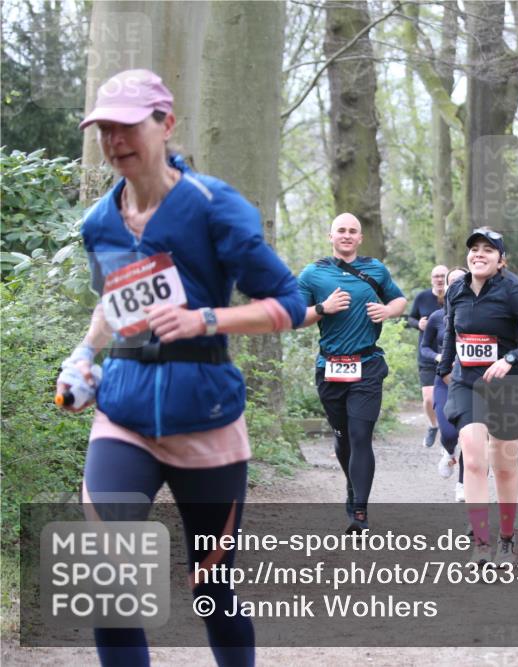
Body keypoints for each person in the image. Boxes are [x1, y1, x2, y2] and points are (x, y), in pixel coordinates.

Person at [61, 69, 307, 666]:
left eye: (127, 126)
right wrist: (84, 355)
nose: (115, 140)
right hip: (123, 412)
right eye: (104, 130)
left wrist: (206, 320)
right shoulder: (100, 221)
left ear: (165, 125)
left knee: (212, 590)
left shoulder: (214, 206)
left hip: (207, 419)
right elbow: (113, 303)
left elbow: (292, 305)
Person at [438, 229, 518, 566]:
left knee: (504, 467)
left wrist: (510, 359)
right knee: (473, 458)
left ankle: (506, 538)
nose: (479, 254)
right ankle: (481, 542)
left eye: (488, 250)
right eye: (474, 249)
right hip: (467, 383)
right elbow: (450, 331)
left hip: (507, 386)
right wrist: (445, 368)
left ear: (501, 259)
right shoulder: (456, 288)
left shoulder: (512, 289)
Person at [298, 213, 407, 532]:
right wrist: (322, 308)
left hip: (368, 365)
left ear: (360, 238)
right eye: (341, 231)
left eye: (352, 231)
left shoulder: (376, 269)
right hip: (330, 366)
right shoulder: (312, 273)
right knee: (344, 438)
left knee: (361, 436)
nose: (346, 235)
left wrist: (387, 310)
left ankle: (359, 512)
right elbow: (294, 316)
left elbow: (399, 299)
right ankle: (352, 485)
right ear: (330, 236)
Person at [420, 267, 469, 501]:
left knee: (470, 437)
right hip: (445, 380)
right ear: (446, 288)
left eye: (462, 280)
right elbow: (425, 347)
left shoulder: (481, 315)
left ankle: (462, 485)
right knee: (449, 434)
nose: (457, 285)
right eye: (452, 282)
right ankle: (449, 452)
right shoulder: (438, 317)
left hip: (471, 383)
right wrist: (439, 357)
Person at [407, 265, 449, 447]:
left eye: (442, 276)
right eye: (436, 276)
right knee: (429, 398)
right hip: (427, 353)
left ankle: (450, 433)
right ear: (431, 279)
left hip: (451, 354)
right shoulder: (422, 297)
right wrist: (418, 324)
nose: (439, 279)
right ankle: (433, 426)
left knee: (450, 398)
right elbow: (409, 318)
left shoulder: (454, 296)